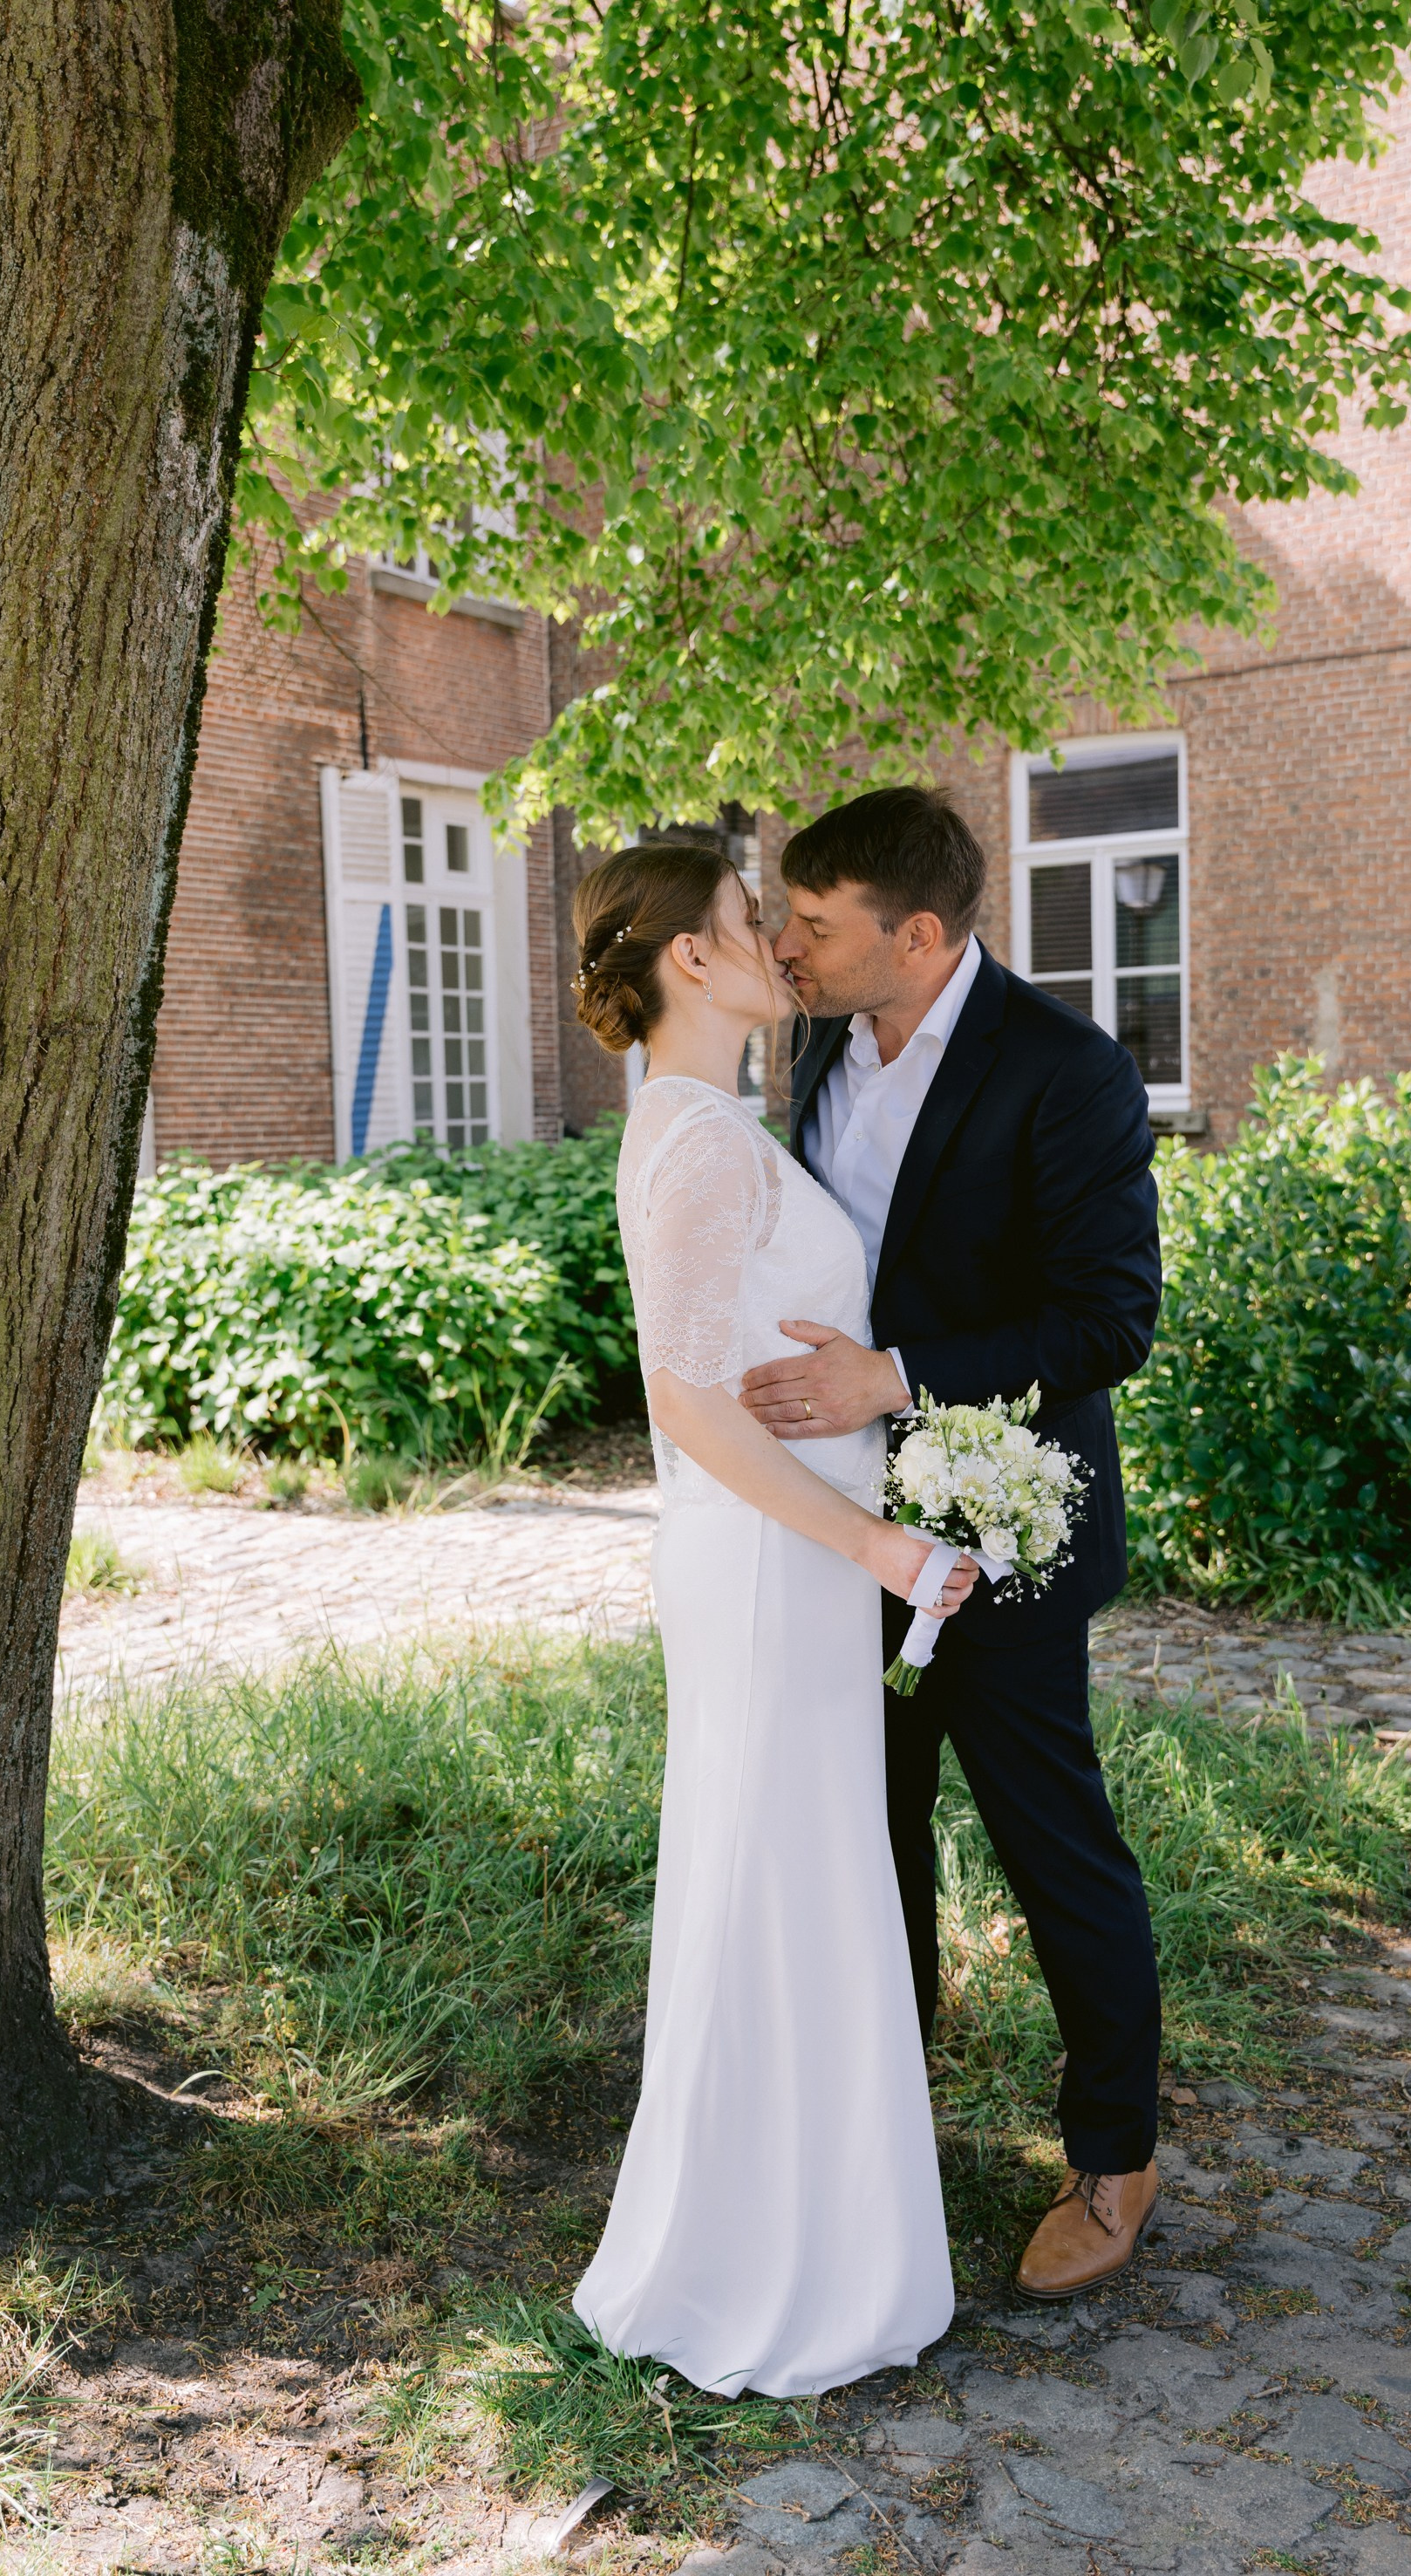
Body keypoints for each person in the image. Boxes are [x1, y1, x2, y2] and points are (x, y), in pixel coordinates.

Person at [740, 784, 1165, 2302]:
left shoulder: (1067, 1071)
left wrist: (896, 1375)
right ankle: (882, 2123)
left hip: (1003, 1539)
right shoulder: (816, 1047)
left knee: (1056, 1852)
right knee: (870, 1841)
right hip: (841, 1533)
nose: (782, 943)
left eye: (814, 923)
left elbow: (1111, 1316)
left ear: (915, 936)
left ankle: (1116, 2155)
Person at [569, 840, 973, 2399]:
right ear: (687, 958)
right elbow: (685, 1403)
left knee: (801, 1871)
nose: (777, 945)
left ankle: (815, 2232)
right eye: (751, 922)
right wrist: (873, 1539)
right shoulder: (696, 1142)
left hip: (783, 1561)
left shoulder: (721, 1125)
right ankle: (752, 2257)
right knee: (770, 1873)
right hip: (764, 1563)